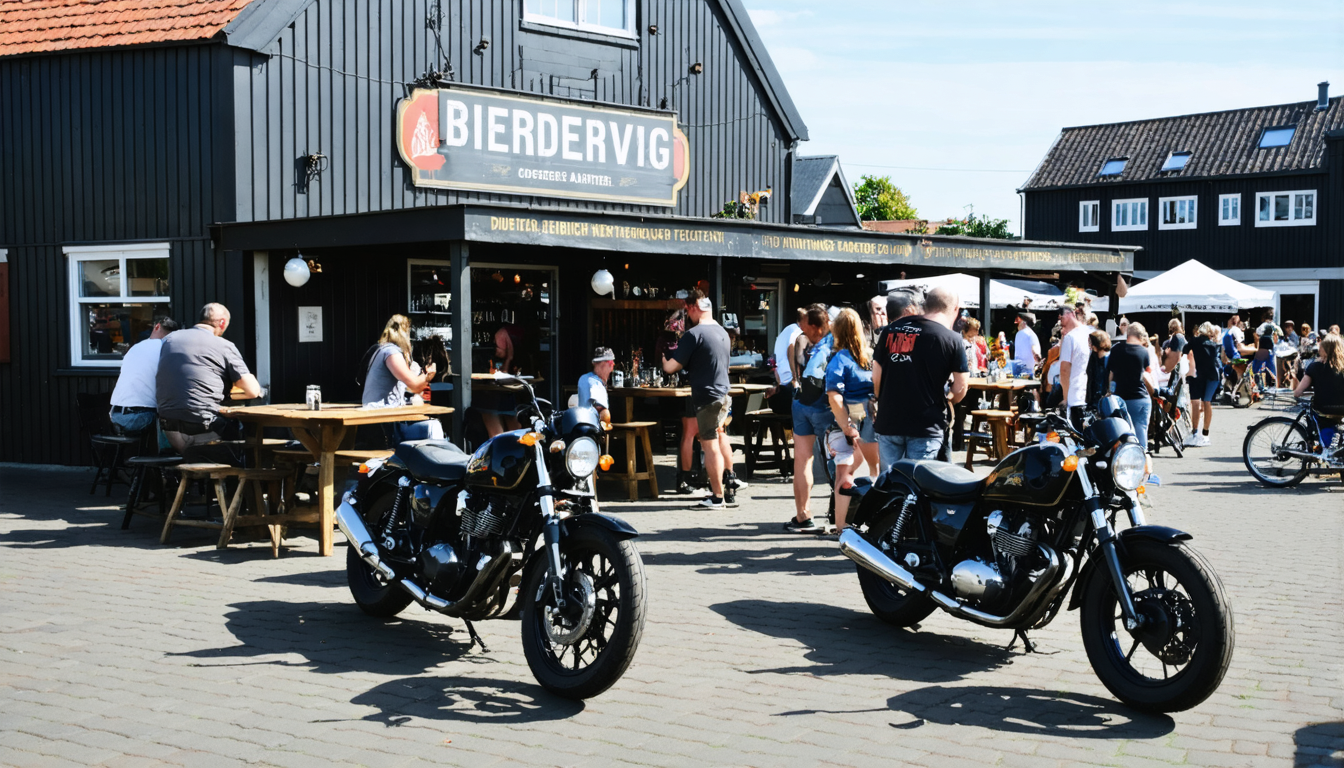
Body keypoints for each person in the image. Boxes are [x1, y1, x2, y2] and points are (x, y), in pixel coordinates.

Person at [872, 286, 969, 470]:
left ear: (926, 304)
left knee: (890, 481)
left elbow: (876, 376)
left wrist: (881, 399)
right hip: (926, 424)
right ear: (955, 309)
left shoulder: (890, 330)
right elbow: (961, 387)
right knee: (918, 481)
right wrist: (948, 401)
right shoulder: (952, 338)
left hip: (889, 421)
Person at [156, 303, 262, 460]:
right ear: (222, 323)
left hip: (170, 429)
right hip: (204, 427)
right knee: (241, 439)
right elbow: (253, 391)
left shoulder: (170, 339)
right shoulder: (223, 345)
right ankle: (241, 473)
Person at [662, 292, 735, 509]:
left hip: (707, 396)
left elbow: (671, 367)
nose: (687, 315)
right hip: (723, 394)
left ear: (694, 307)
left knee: (709, 445)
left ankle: (717, 497)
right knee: (719, 438)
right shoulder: (723, 333)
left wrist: (664, 358)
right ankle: (729, 484)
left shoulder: (693, 335)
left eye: (687, 310)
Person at [824, 308, 879, 534]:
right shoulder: (871, 357)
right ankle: (876, 523)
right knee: (876, 473)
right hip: (872, 420)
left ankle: (841, 526)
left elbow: (834, 396)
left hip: (846, 422)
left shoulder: (839, 359)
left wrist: (846, 426)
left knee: (845, 475)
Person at [782, 304, 833, 531]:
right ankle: (840, 514)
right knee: (837, 459)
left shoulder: (805, 342)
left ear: (815, 327)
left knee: (803, 460)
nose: (801, 328)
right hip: (826, 406)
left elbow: (793, 362)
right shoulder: (834, 343)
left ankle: (803, 515)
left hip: (801, 402)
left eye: (804, 325)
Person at [361, 314, 444, 442]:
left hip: (379, 418)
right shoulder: (391, 353)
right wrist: (428, 375)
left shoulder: (381, 349)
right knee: (434, 427)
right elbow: (414, 385)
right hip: (384, 420)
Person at [109, 315, 180, 437]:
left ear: (156, 326)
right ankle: (172, 449)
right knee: (173, 422)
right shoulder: (166, 348)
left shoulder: (135, 348)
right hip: (140, 416)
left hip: (116, 415)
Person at [1293, 333, 1344, 457]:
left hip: (1322, 409)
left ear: (1324, 349)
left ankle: (1315, 445)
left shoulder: (1315, 366)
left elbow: (1298, 392)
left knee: (1311, 411)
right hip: (1342, 410)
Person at [1107, 322, 1156, 448]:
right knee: (1141, 430)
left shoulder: (1116, 349)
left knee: (1122, 433)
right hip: (1140, 397)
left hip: (1120, 397)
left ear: (1127, 334)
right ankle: (1142, 455)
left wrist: (1109, 391)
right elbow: (1146, 373)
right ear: (1140, 336)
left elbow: (1111, 374)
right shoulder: (1143, 352)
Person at [1184, 322, 1222, 447]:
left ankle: (1195, 432)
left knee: (1195, 403)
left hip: (1198, 375)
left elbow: (1184, 350)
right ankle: (1205, 434)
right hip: (1212, 376)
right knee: (1207, 402)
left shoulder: (1194, 341)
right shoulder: (1214, 345)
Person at [1057, 306, 1091, 427]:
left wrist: (1065, 398)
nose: (1060, 321)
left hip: (1074, 396)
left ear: (1071, 314)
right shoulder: (1089, 332)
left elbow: (1064, 369)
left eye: (1061, 317)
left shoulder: (1070, 338)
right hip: (1089, 394)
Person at [768, 308, 804, 414]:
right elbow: (791, 349)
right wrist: (795, 378)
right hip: (791, 383)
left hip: (782, 382)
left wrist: (779, 382)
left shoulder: (785, 331)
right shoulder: (797, 331)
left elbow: (775, 360)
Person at [577, 347, 615, 414]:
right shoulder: (595, 382)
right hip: (591, 420)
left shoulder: (583, 378)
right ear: (602, 364)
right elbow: (604, 413)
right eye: (610, 363)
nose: (612, 369)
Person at [1251, 310, 1281, 386]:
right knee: (1272, 368)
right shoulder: (1274, 325)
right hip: (1271, 349)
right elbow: (1279, 334)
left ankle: (1257, 383)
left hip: (1263, 348)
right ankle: (1274, 384)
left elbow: (1257, 334)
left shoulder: (1262, 326)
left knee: (1256, 368)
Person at [1086, 330, 1111, 406]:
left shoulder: (1109, 359)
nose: (1089, 345)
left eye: (1090, 343)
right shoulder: (1092, 358)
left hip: (1104, 400)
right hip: (1093, 400)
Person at [1012, 311, 1040, 377]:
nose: (1016, 323)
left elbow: (1035, 348)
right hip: (1018, 369)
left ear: (1024, 323)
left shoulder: (1029, 334)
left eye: (1018, 321)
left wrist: (1037, 356)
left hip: (1027, 370)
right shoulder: (1019, 334)